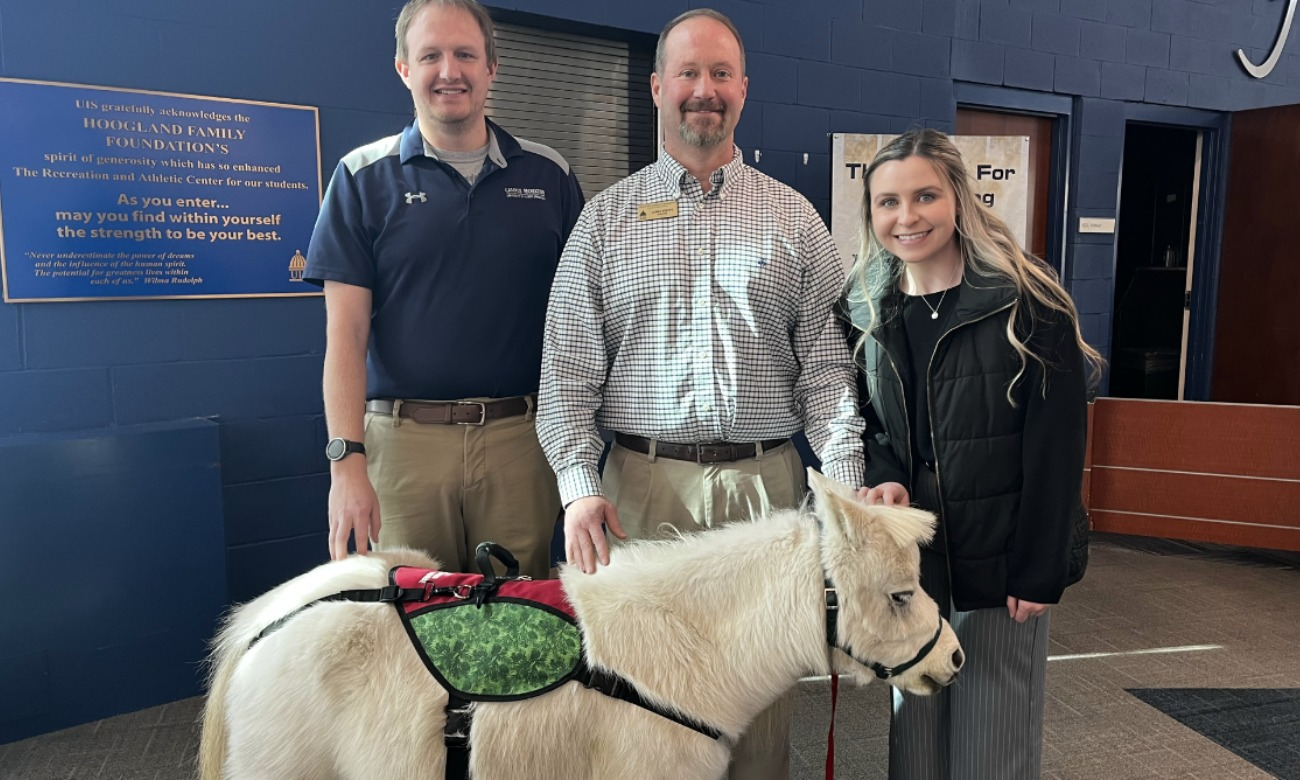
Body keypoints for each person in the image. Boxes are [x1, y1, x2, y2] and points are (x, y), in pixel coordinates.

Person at [537, 9, 864, 779]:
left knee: (759, 710)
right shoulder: (606, 221)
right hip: (641, 493)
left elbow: (828, 374)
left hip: (766, 491)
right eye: (688, 73)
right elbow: (566, 376)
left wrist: (845, 491)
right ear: (657, 87)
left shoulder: (795, 219)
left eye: (720, 74)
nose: (703, 91)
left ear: (744, 90)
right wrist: (578, 489)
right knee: (642, 706)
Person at [841, 128, 1103, 779]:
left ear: (957, 196)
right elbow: (872, 427)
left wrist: (1038, 568)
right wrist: (888, 479)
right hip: (915, 563)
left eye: (924, 195)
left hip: (1001, 564)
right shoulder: (867, 308)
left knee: (991, 746)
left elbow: (1058, 445)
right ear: (871, 214)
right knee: (916, 744)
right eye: (888, 202)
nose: (907, 217)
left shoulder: (1028, 299)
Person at [303, 0, 584, 580]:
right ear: (404, 68)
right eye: (430, 55)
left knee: (518, 627)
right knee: (413, 624)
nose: (449, 71)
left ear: (492, 68)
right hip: (404, 446)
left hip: (520, 440)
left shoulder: (549, 175)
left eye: (465, 54)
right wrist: (346, 464)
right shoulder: (361, 177)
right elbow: (345, 336)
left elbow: (579, 325)